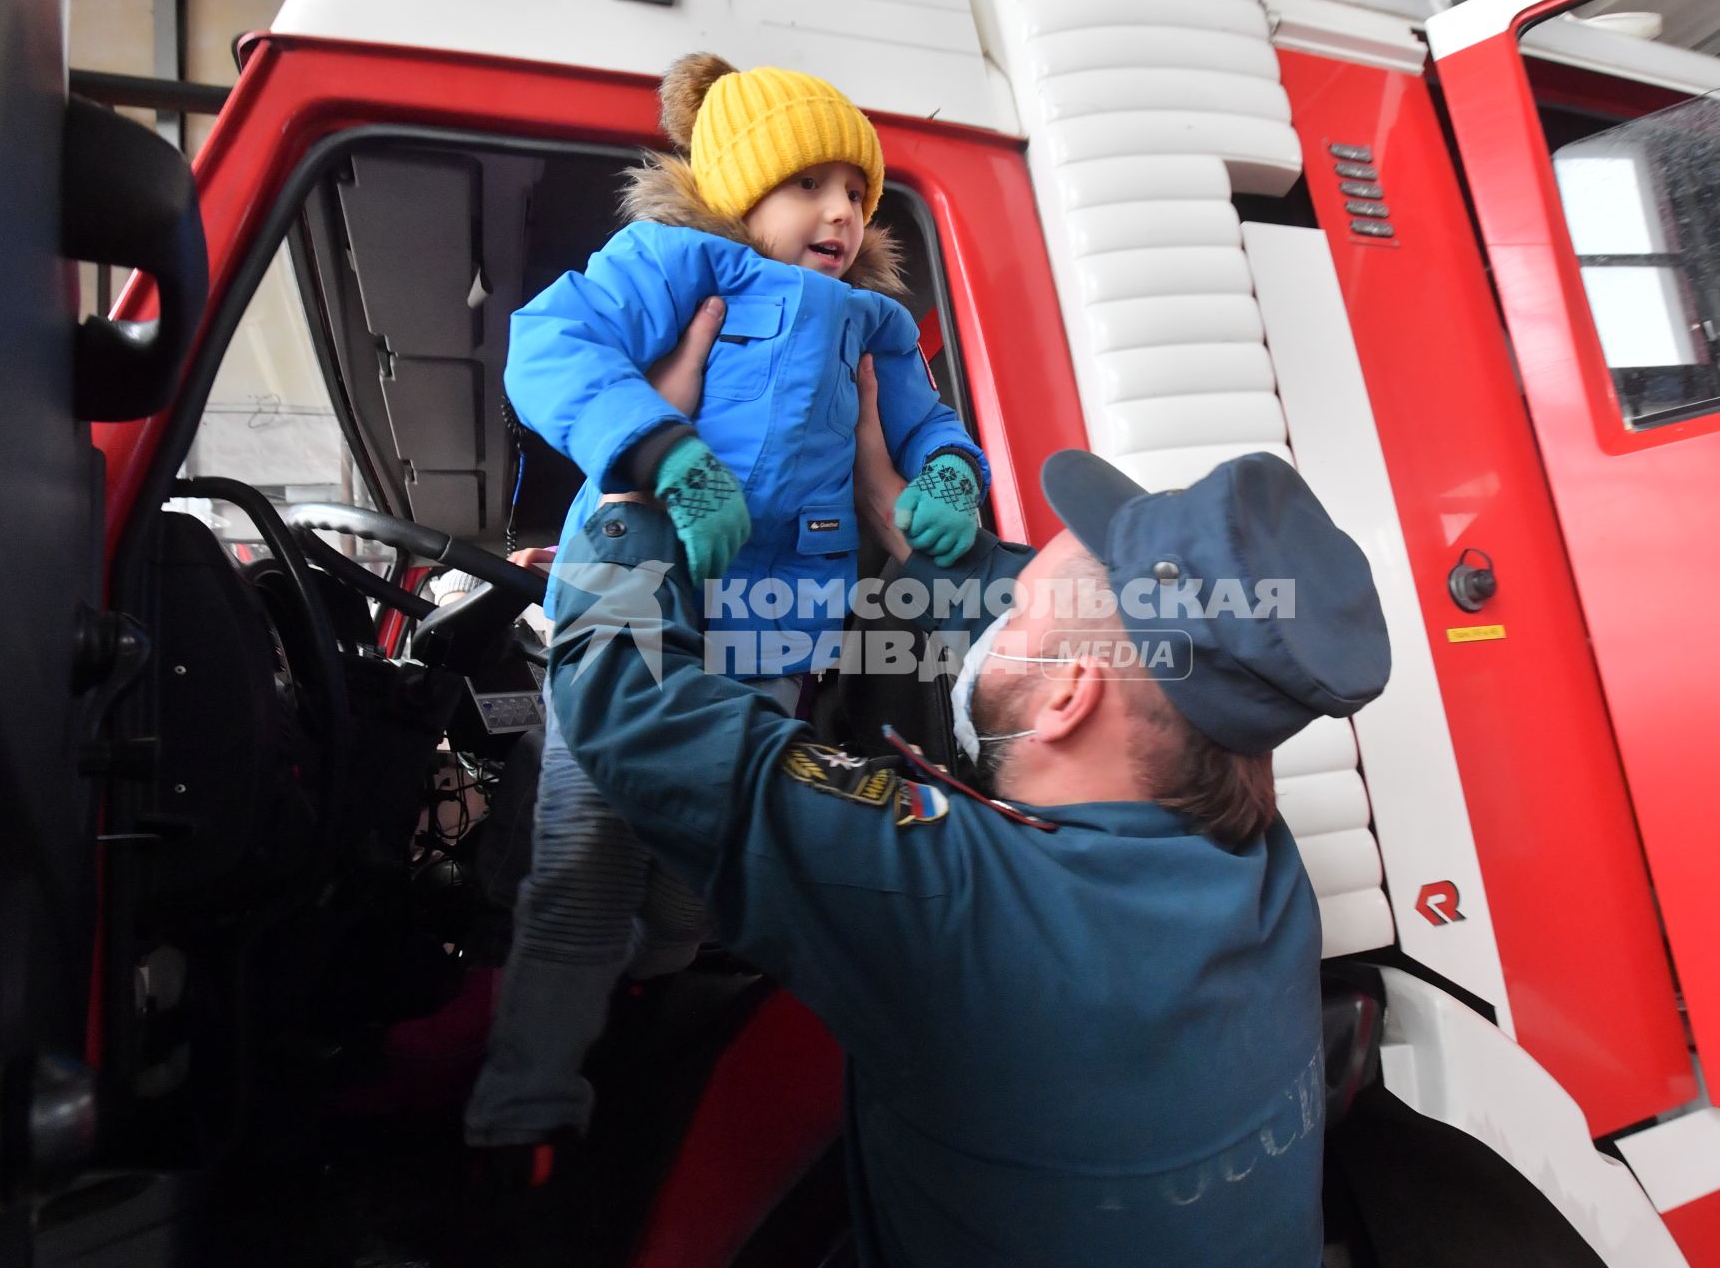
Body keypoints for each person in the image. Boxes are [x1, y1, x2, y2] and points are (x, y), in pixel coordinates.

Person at [540, 344, 1394, 1265]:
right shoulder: (1261, 865)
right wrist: (886, 497)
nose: (998, 624)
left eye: (1017, 617)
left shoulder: (948, 900)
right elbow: (1049, 602)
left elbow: (633, 714)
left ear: (1069, 698)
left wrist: (630, 480)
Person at [464, 48, 993, 1215]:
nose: (841, 213)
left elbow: (926, 425)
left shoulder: (878, 323)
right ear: (738, 189)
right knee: (586, 849)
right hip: (628, 581)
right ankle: (527, 1106)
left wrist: (948, 475)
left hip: (774, 620)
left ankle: (643, 997)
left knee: (708, 864)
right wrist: (666, 452)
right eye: (808, 186)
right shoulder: (675, 260)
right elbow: (552, 348)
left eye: (856, 192)